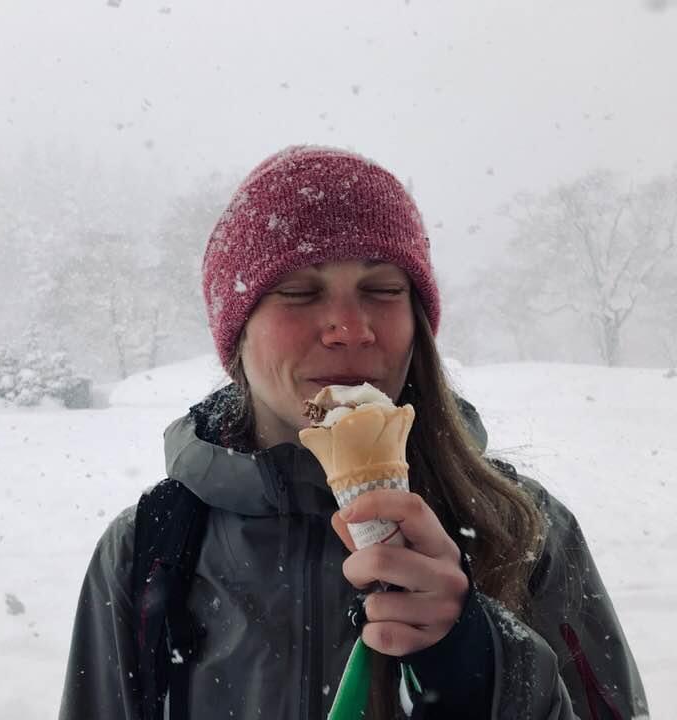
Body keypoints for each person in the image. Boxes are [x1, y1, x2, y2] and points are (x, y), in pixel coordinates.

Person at [59, 145, 648, 719]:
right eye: (298, 292)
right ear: (236, 331)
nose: (349, 327)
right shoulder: (150, 549)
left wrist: (482, 668)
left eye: (383, 289)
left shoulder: (523, 527)